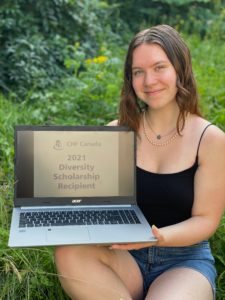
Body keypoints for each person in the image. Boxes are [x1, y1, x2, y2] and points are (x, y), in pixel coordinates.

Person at [54, 24, 225, 300]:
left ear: (180, 69)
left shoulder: (210, 139)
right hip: (124, 258)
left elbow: (205, 220)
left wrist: (156, 237)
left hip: (182, 261)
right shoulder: (116, 132)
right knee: (68, 251)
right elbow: (97, 205)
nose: (148, 81)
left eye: (159, 67)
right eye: (138, 72)